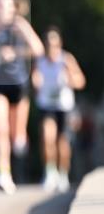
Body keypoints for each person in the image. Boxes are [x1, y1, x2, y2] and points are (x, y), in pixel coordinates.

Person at [0, 0, 44, 193]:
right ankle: (3, 173)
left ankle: (19, 141)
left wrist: (15, 52)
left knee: (16, 136)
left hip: (18, 84)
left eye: (5, 4)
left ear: (12, 8)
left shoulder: (18, 26)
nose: (0, 8)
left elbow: (38, 49)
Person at [33, 27, 86, 192]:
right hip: (46, 104)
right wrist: (36, 83)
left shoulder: (66, 59)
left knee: (62, 142)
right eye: (48, 44)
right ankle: (50, 172)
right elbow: (35, 80)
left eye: (54, 44)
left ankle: (63, 174)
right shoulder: (39, 61)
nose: (51, 48)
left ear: (59, 44)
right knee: (47, 137)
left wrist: (70, 77)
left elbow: (81, 82)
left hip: (64, 106)